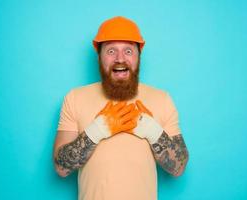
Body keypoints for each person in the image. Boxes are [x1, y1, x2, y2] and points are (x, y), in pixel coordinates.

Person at [53, 16, 189, 200]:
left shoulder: (162, 99)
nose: (120, 59)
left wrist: (151, 130)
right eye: (110, 51)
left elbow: (178, 167)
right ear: (99, 56)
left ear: (138, 55)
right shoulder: (75, 98)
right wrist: (97, 130)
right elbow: (61, 167)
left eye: (128, 51)